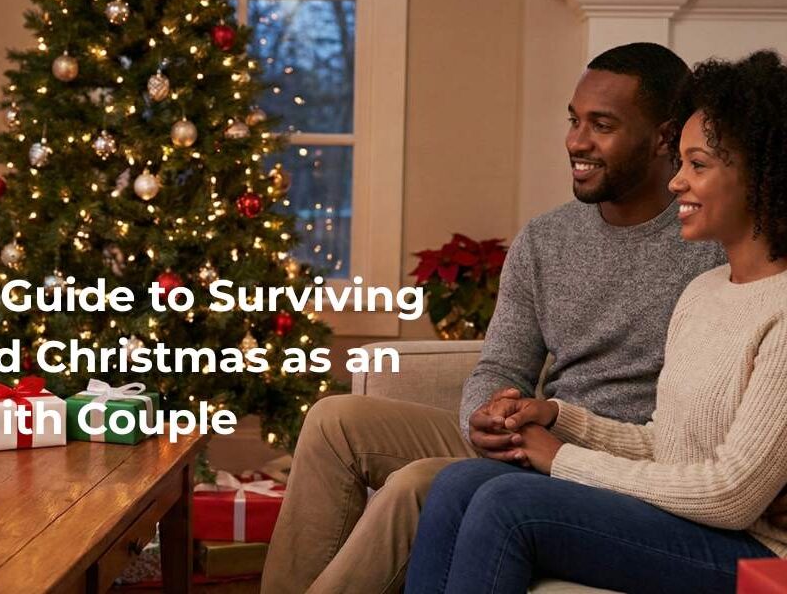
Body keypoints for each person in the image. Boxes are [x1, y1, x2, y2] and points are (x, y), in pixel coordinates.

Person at [262, 42, 726, 594]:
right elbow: (503, 361)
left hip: (600, 462)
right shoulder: (546, 238)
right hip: (525, 434)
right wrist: (486, 412)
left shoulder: (711, 245)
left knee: (419, 484)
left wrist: (556, 439)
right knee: (333, 421)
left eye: (602, 125)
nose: (576, 142)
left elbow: (696, 427)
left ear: (664, 138)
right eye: (574, 120)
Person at [405, 49, 787, 594]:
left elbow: (730, 494)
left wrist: (562, 459)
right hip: (691, 524)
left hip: (757, 554)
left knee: (508, 505)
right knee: (460, 482)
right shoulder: (704, 292)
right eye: (679, 163)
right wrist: (558, 416)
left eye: (697, 165)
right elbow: (665, 444)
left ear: (761, 178)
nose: (676, 182)